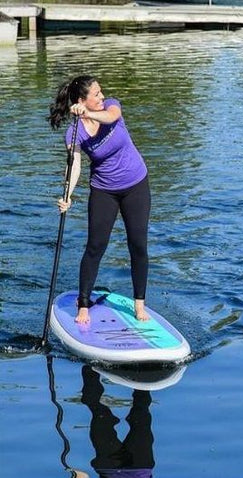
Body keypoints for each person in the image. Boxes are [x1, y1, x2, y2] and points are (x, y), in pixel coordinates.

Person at [48, 75, 151, 324]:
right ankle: (83, 305)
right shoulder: (75, 132)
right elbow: (74, 166)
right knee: (95, 246)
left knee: (138, 245)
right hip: (104, 190)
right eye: (96, 94)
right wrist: (68, 196)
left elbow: (110, 117)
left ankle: (139, 306)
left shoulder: (111, 107)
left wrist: (90, 113)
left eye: (101, 92)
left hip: (136, 184)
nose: (102, 96)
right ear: (82, 100)